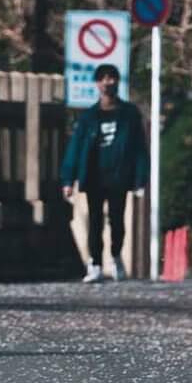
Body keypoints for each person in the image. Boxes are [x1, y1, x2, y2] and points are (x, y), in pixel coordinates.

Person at [60, 62, 150, 283]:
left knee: (117, 220)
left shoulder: (129, 114)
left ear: (118, 81)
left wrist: (140, 178)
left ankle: (116, 256)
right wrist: (68, 179)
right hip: (94, 175)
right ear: (97, 84)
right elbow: (76, 147)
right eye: (103, 79)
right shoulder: (89, 117)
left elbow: (139, 147)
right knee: (95, 221)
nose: (107, 82)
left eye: (111, 78)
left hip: (119, 174)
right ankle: (96, 264)